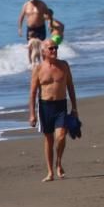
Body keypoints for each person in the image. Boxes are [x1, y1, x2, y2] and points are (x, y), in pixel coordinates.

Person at [28, 40, 78, 182]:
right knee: (49, 139)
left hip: (61, 105)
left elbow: (71, 87)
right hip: (45, 107)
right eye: (51, 48)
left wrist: (74, 108)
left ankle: (59, 162)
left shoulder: (64, 65)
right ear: (43, 51)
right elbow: (32, 93)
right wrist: (32, 114)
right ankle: (50, 172)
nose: (54, 50)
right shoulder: (38, 69)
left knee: (61, 136)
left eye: (56, 48)